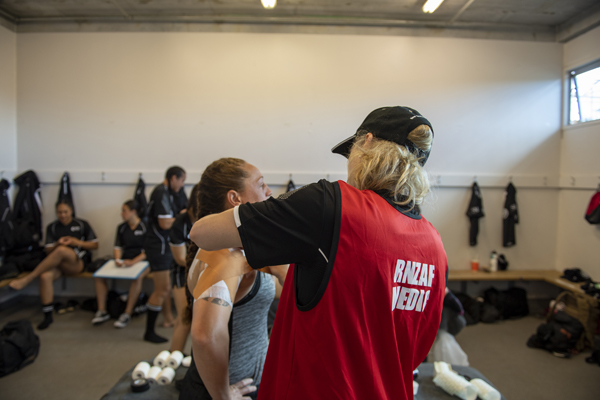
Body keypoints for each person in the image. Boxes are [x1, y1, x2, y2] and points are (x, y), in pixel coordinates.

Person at [190, 106, 448, 399]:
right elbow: (415, 345)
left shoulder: (334, 205)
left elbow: (202, 232)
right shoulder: (434, 246)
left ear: (365, 144)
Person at [180, 157, 286, 400]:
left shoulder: (239, 250)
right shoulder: (222, 254)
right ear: (235, 198)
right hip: (228, 390)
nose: (269, 191)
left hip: (248, 382)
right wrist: (224, 396)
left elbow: (267, 295)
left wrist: (281, 270)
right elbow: (206, 335)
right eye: (261, 185)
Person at [9, 199, 99, 330]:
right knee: (45, 276)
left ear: (71, 211)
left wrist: (76, 242)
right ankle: (47, 316)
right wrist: (58, 244)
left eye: (65, 212)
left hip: (77, 263)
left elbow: (95, 244)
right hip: (58, 264)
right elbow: (48, 250)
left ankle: (28, 278)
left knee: (62, 250)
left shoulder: (81, 224)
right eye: (59, 212)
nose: (62, 215)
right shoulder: (52, 227)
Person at [143, 166, 187, 343]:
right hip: (157, 246)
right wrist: (181, 216)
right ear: (173, 178)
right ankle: (149, 331)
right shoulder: (161, 192)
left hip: (162, 245)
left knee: (165, 287)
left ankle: (168, 318)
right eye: (182, 180)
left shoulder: (170, 192)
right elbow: (164, 223)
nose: (182, 185)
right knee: (162, 289)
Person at [91, 200, 148, 328]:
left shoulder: (146, 226)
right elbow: (118, 247)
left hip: (142, 261)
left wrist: (133, 262)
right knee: (99, 275)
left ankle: (127, 313)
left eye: (124, 211)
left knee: (137, 278)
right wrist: (118, 260)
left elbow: (148, 250)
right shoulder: (121, 228)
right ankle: (102, 310)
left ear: (133, 212)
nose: (121, 214)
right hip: (125, 260)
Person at [168, 183, 200, 352]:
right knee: (185, 318)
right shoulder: (180, 223)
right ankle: (175, 356)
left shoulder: (210, 220)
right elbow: (180, 258)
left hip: (203, 270)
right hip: (182, 271)